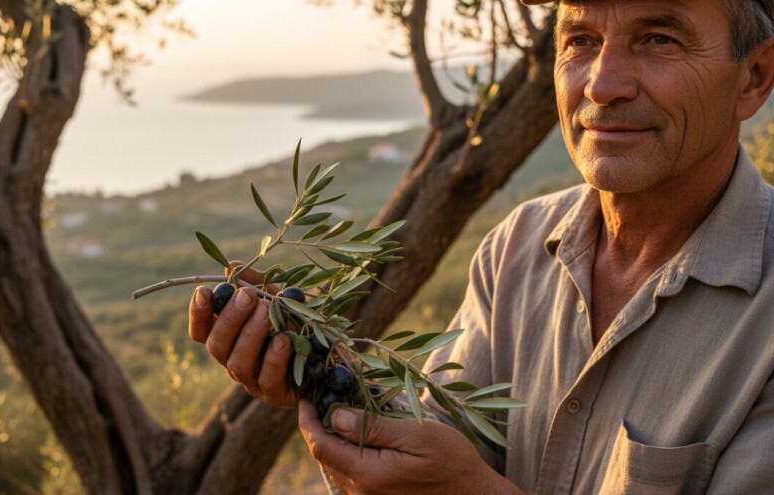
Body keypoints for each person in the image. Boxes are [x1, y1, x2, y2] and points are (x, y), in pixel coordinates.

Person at [188, 0, 774, 492]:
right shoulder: (516, 249)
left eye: (659, 39)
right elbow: (441, 441)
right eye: (580, 40)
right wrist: (319, 371)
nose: (601, 84)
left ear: (753, 77)